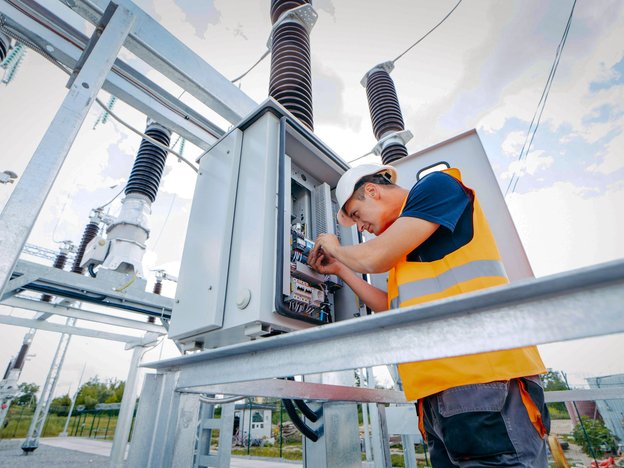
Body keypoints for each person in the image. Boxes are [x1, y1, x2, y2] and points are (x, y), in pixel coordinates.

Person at [307, 163, 550, 467]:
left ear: (372, 190)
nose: (360, 227)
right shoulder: (402, 256)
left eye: (356, 214)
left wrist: (335, 247)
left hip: (485, 380)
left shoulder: (437, 186)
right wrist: (341, 269)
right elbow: (390, 307)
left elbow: (374, 256)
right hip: (437, 396)